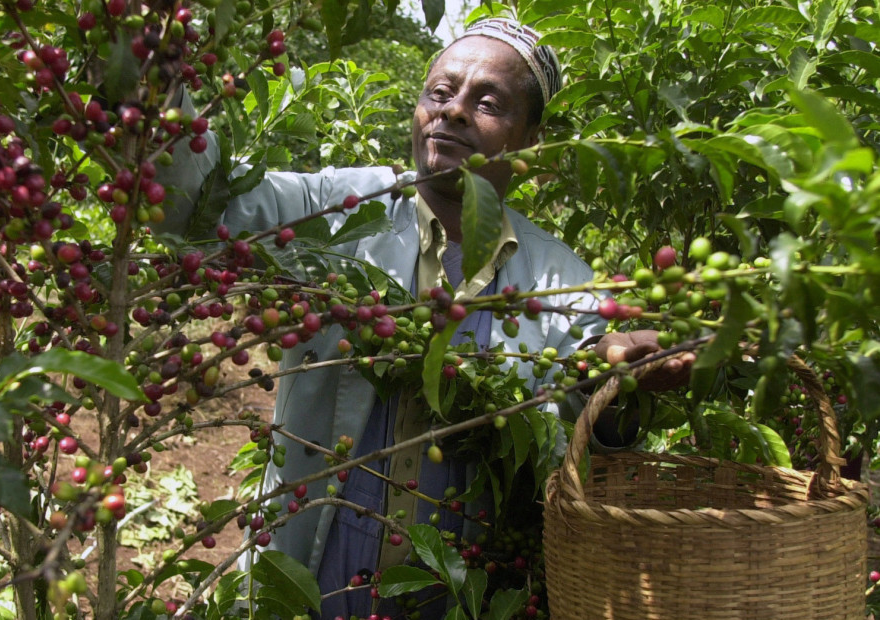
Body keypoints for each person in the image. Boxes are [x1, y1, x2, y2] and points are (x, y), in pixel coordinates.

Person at [156, 16, 690, 619]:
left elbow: (581, 425)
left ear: (532, 142)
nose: (454, 112)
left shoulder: (563, 282)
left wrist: (618, 380)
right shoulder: (339, 211)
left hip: (461, 599)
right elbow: (202, 212)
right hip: (312, 585)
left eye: (488, 103)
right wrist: (160, 86)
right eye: (440, 93)